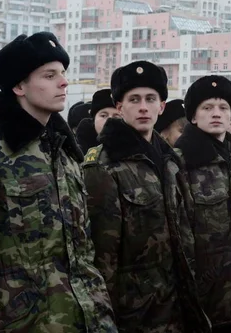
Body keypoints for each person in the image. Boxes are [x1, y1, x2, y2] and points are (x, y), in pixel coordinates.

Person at [0, 32, 116, 331]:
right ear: (19, 86)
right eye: (50, 75)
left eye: (63, 73)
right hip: (26, 321)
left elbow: (82, 247)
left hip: (85, 315)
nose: (63, 82)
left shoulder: (63, 149)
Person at [82, 60, 210, 332]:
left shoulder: (171, 160)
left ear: (161, 107)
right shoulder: (103, 165)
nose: (143, 107)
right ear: (119, 107)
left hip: (177, 304)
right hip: (134, 312)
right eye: (134, 99)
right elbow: (102, 256)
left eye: (151, 99)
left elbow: (185, 231)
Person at [175, 75, 231, 333]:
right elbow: (179, 235)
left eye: (223, 107)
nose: (216, 114)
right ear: (193, 116)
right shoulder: (181, 162)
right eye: (207, 107)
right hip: (206, 295)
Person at [76, 88, 120, 154]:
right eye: (103, 115)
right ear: (94, 120)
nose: (109, 120)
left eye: (116, 117)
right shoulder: (76, 154)